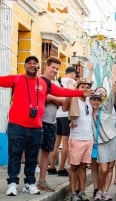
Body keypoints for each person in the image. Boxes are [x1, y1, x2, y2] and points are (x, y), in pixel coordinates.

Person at [3, 56, 93, 196]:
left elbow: (62, 92)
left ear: (38, 66)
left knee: (33, 157)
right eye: (29, 63)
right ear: (25, 65)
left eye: (34, 63)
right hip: (17, 126)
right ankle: (12, 183)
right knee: (15, 155)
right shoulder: (17, 79)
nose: (32, 66)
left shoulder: (44, 83)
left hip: (36, 127)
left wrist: (80, 92)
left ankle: (30, 183)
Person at [62, 78, 95, 201]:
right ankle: (73, 193)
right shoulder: (73, 98)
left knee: (83, 166)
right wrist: (70, 92)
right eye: (83, 86)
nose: (85, 88)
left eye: (88, 86)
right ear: (78, 88)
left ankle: (82, 191)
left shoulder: (89, 101)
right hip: (76, 138)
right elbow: (65, 108)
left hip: (88, 138)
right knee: (74, 167)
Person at [37, 57, 66, 192]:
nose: (55, 70)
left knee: (46, 153)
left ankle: (42, 181)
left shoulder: (56, 84)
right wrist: (54, 99)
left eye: (57, 68)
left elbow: (63, 102)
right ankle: (29, 180)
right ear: (46, 66)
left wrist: (53, 99)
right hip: (39, 122)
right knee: (34, 152)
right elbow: (42, 97)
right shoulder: (39, 80)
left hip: (52, 122)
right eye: (53, 67)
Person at [92, 84, 116, 201]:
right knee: (103, 169)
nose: (96, 102)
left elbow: (112, 95)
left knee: (110, 168)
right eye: (94, 99)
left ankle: (105, 192)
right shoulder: (88, 112)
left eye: (98, 100)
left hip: (113, 141)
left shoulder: (106, 108)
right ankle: (98, 190)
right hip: (100, 144)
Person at [48, 66, 77, 176]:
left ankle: (51, 167)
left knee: (56, 142)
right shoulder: (72, 82)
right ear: (73, 74)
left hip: (57, 114)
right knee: (66, 143)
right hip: (66, 114)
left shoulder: (56, 82)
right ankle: (61, 168)